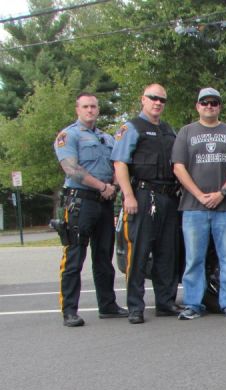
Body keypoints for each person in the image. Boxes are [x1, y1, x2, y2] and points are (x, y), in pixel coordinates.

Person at [54, 92, 128, 327]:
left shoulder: (107, 138)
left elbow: (117, 165)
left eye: (93, 106)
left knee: (104, 257)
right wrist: (102, 186)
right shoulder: (68, 135)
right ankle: (69, 311)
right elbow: (71, 169)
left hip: (104, 203)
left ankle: (108, 305)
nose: (90, 110)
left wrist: (114, 185)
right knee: (74, 257)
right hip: (80, 202)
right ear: (77, 109)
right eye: (85, 106)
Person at [112, 83, 181, 324]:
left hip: (168, 197)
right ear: (143, 99)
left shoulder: (168, 130)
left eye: (162, 100)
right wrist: (128, 196)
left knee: (167, 253)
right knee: (139, 253)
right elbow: (120, 163)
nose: (158, 103)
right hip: (142, 196)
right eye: (153, 98)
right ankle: (135, 307)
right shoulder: (132, 128)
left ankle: (165, 302)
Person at [172, 87, 226, 320]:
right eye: (205, 102)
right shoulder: (186, 132)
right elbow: (178, 167)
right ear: (197, 106)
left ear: (219, 106)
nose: (209, 106)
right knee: (194, 259)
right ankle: (193, 304)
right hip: (193, 208)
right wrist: (199, 195)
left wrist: (222, 193)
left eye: (214, 103)